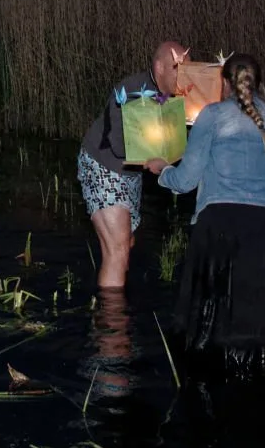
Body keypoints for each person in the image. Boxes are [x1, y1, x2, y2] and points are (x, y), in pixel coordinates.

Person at [146, 53, 265, 377]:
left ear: (225, 82)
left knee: (215, 317)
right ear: (257, 82)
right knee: (260, 315)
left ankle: (211, 378)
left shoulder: (213, 116)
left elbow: (186, 180)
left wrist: (162, 171)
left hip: (227, 226)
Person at [79, 39, 187, 289]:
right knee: (117, 253)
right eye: (176, 68)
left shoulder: (179, 97)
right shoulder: (131, 91)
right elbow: (116, 143)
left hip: (130, 174)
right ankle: (112, 324)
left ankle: (112, 307)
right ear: (159, 67)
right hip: (103, 167)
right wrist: (157, 157)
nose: (183, 75)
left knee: (125, 245)